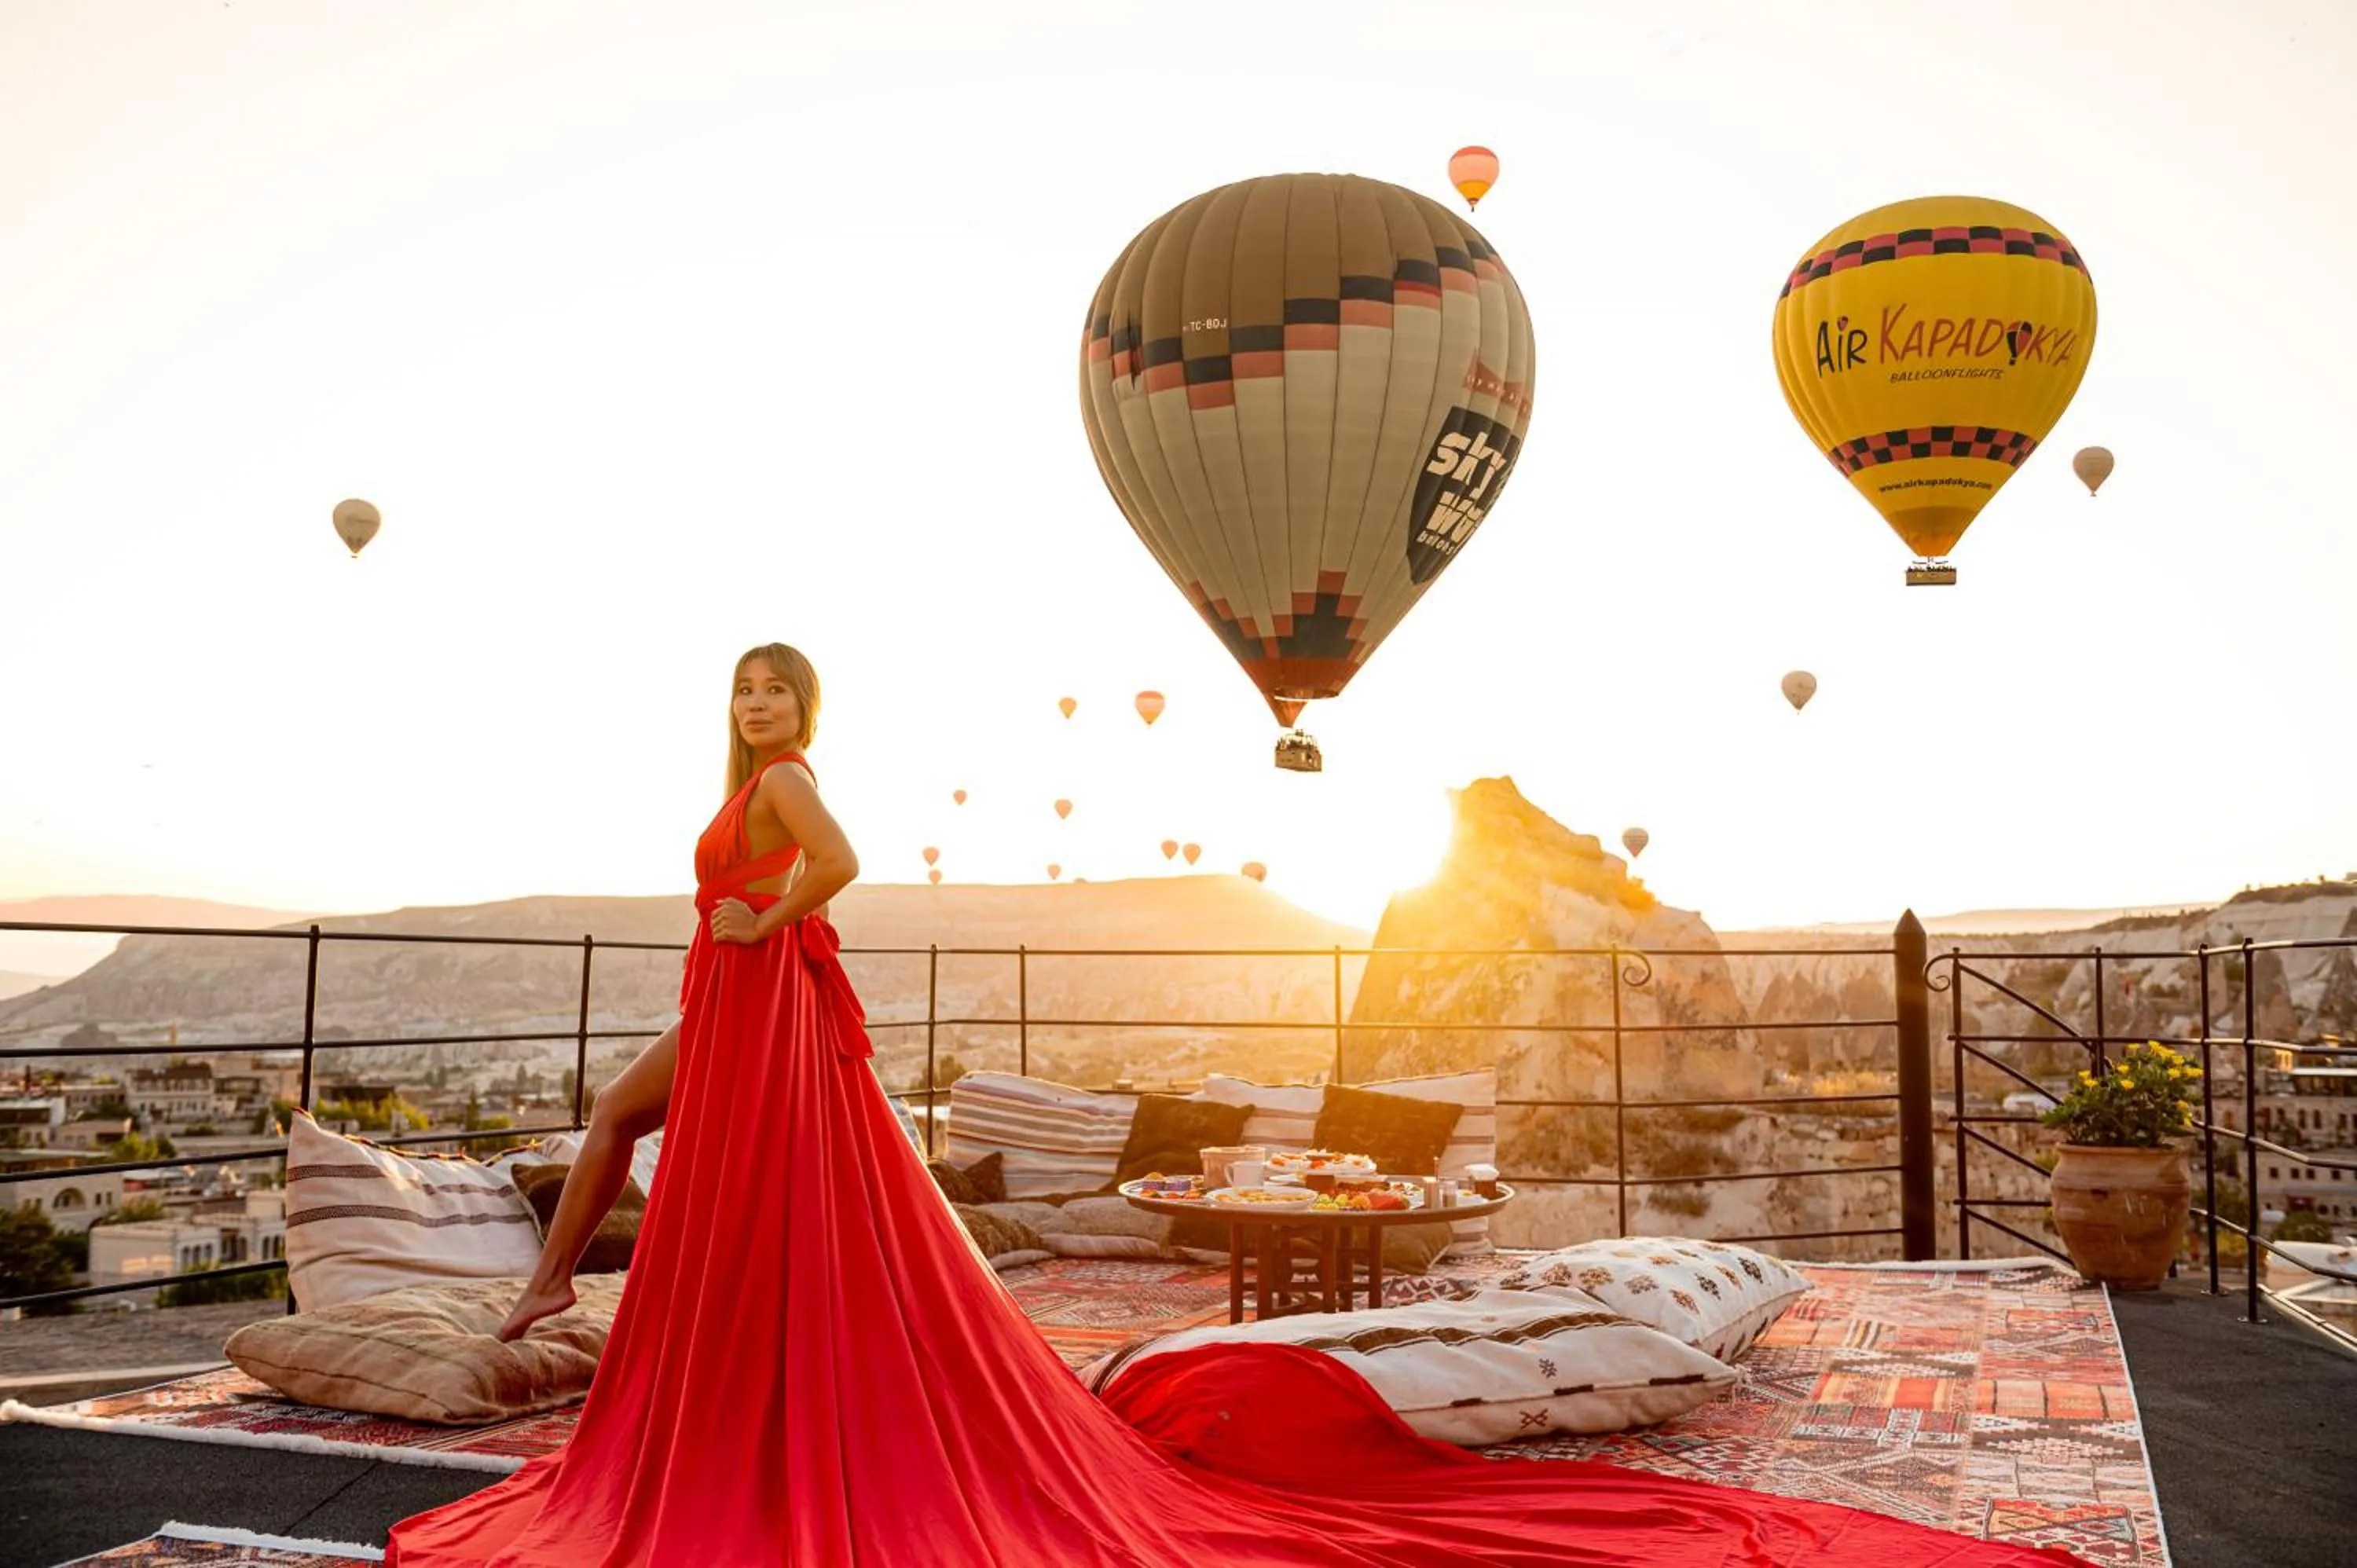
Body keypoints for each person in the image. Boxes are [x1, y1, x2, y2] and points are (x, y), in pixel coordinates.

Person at [387, 643, 2088, 1567]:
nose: (761, 709)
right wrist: (741, 931)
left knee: (685, 1152)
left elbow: (834, 863)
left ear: (803, 713)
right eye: (746, 689)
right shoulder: (739, 776)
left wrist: (766, 910)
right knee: (633, 1120)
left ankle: (584, 1306)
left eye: (781, 690)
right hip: (736, 1003)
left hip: (765, 988)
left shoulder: (781, 783)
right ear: (732, 707)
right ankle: (568, 1294)